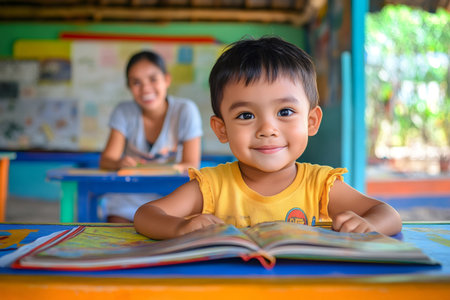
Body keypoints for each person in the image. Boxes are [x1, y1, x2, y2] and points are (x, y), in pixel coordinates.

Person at [134, 36, 402, 239]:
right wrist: (181, 227)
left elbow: (388, 214)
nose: (267, 129)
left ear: (311, 121)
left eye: (285, 111)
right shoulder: (212, 186)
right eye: (246, 116)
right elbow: (146, 215)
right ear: (221, 129)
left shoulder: (320, 185)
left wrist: (369, 225)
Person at [100, 50, 203, 223]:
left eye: (153, 79)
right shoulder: (123, 112)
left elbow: (191, 164)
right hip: (130, 194)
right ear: (129, 87)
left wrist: (164, 170)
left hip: (171, 195)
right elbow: (106, 160)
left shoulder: (185, 110)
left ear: (167, 80)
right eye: (136, 82)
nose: (146, 88)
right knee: (119, 238)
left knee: (176, 232)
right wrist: (119, 163)